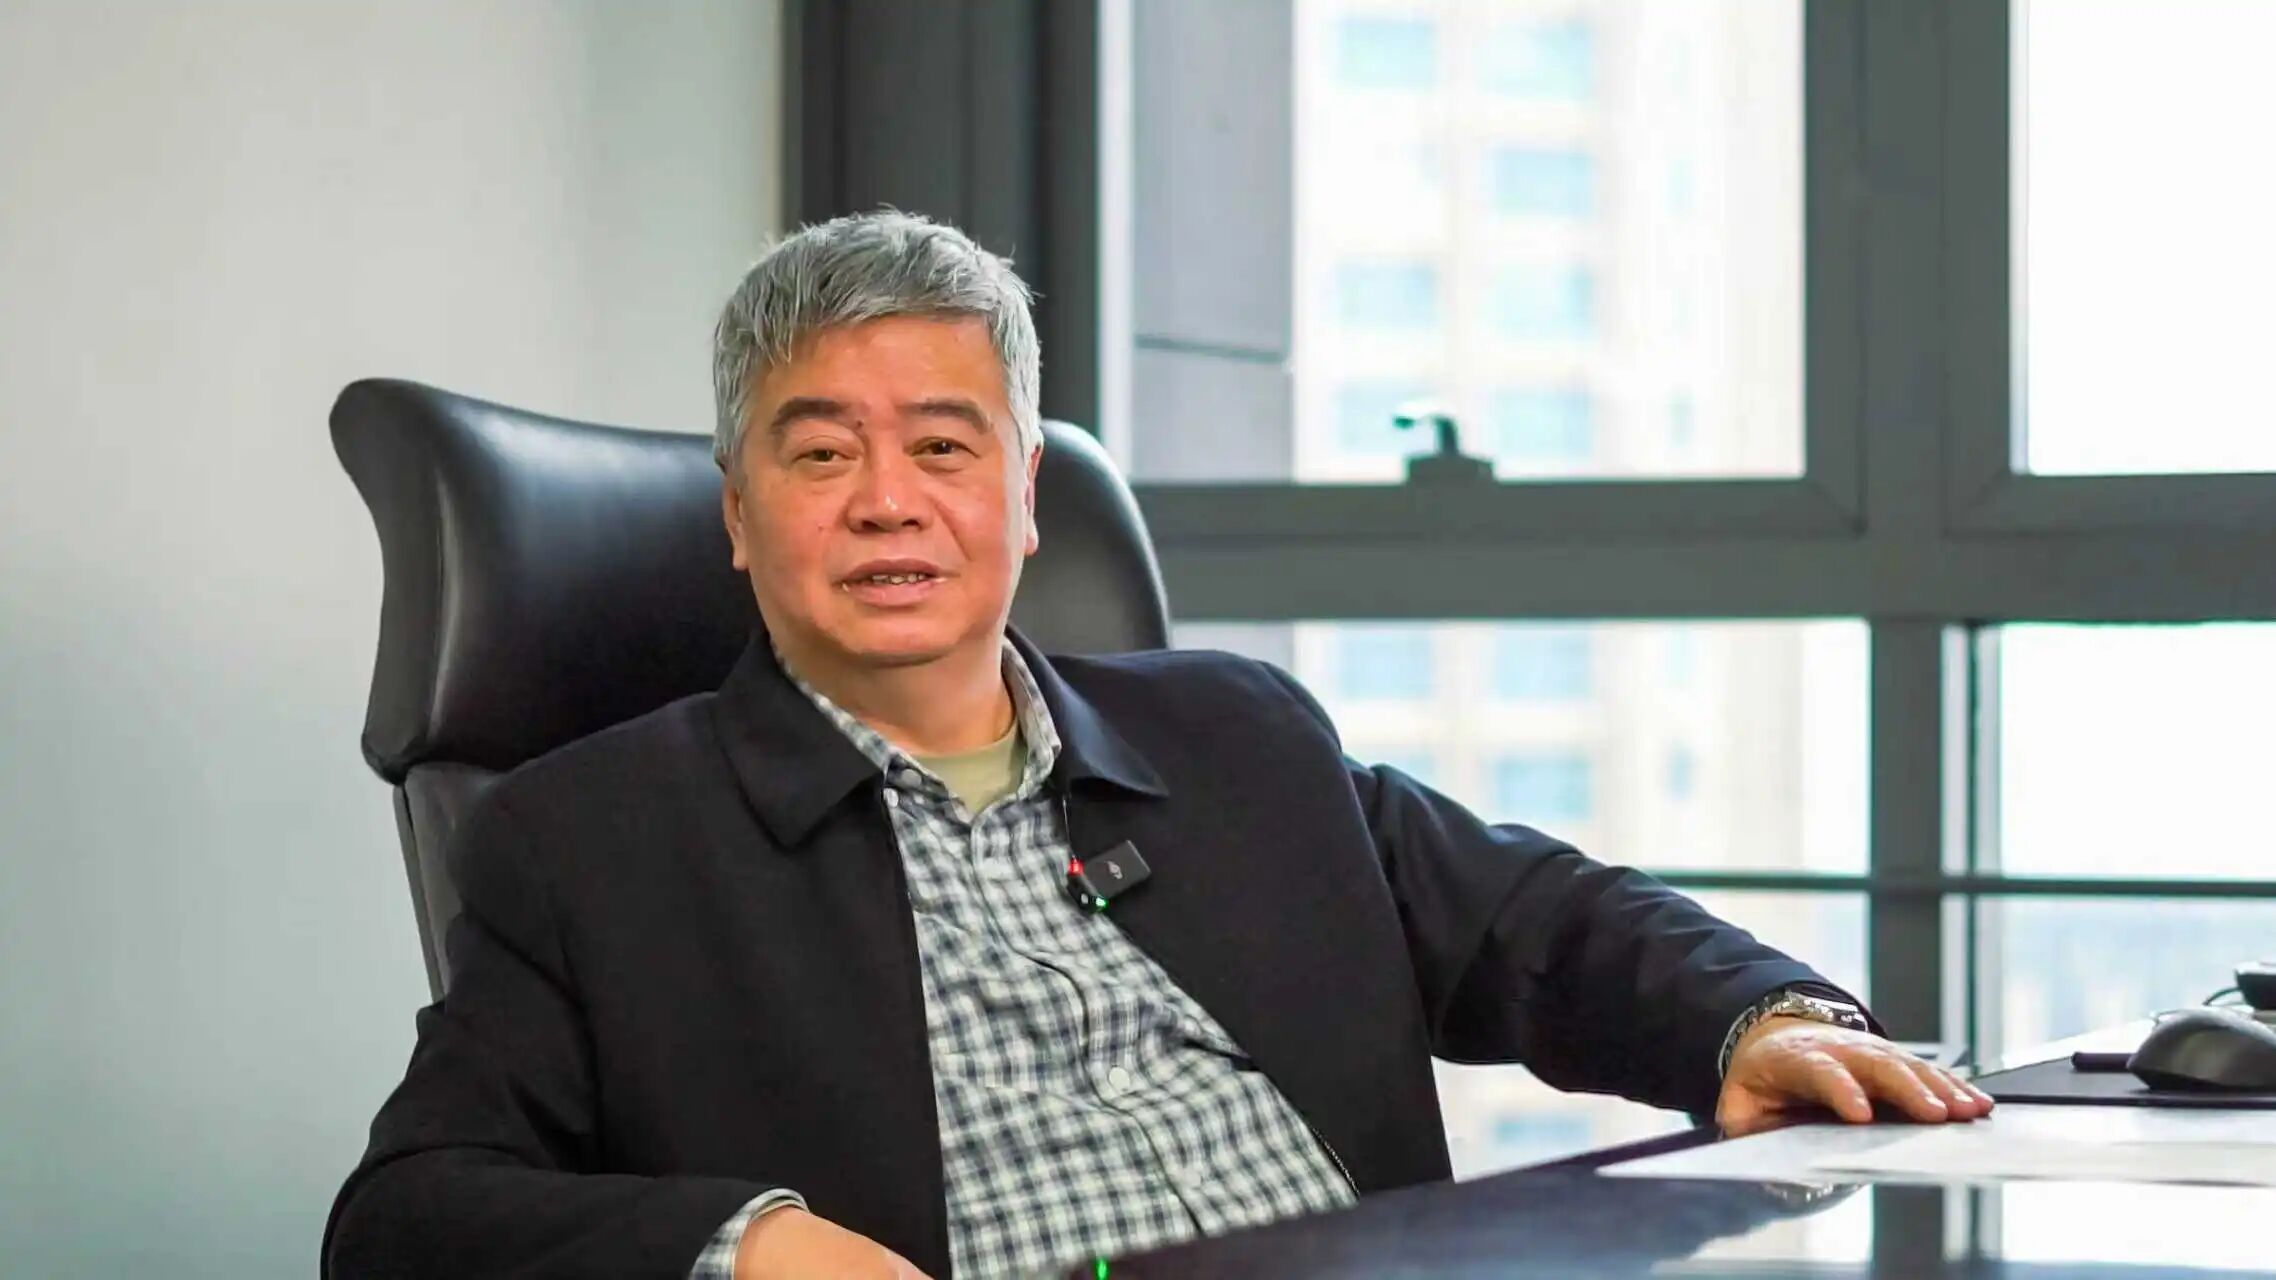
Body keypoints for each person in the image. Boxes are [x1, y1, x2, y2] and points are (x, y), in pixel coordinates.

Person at [323, 211, 1991, 1280]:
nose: (888, 500)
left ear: (1024, 499)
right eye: (819, 453)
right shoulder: (593, 840)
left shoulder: (1236, 741)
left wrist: (1755, 1020)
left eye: (943, 447)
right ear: (739, 516)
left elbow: (1541, 920)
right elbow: (405, 1217)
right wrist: (741, 1245)